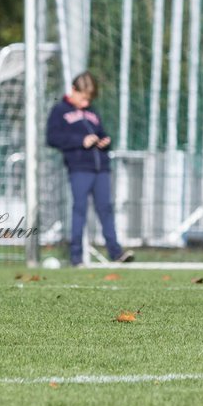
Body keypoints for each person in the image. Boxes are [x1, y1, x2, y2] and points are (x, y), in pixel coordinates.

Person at [46, 71, 133, 267]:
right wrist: (80, 141)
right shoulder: (59, 111)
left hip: (100, 167)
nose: (86, 102)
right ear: (74, 90)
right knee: (80, 209)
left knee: (106, 209)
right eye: (84, 98)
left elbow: (101, 132)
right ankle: (76, 256)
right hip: (79, 167)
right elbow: (52, 138)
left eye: (89, 99)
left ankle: (116, 252)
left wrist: (105, 141)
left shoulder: (92, 112)